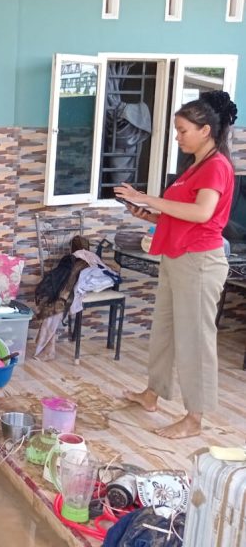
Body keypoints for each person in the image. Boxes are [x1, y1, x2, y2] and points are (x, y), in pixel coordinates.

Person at [115, 90, 238, 439]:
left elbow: (202, 214)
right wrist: (146, 212)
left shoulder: (216, 166)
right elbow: (181, 215)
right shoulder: (195, 166)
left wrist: (147, 197)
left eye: (183, 130)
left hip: (199, 262)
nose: (178, 136)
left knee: (195, 339)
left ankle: (193, 419)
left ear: (205, 130)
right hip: (176, 256)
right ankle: (152, 394)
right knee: (165, 331)